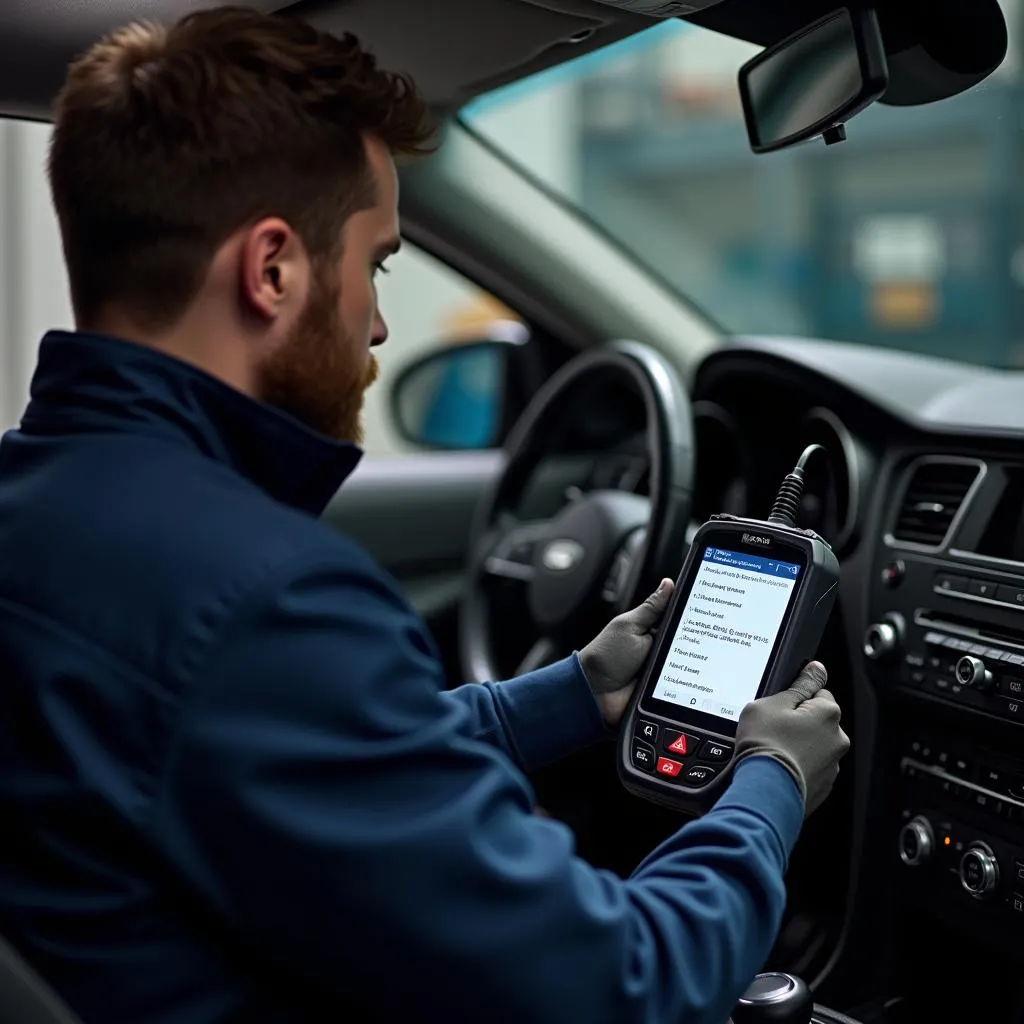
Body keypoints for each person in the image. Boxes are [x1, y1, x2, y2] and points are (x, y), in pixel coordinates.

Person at [0, 7, 850, 1024]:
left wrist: (573, 693)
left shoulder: (40, 512)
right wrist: (767, 786)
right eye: (377, 264)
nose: (378, 322)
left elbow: (297, 751)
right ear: (272, 269)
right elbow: (621, 983)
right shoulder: (267, 598)